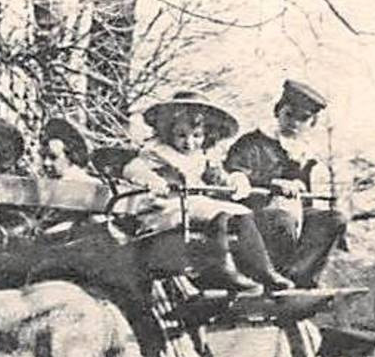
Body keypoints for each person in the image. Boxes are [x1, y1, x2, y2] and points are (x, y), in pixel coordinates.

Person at [124, 89, 294, 293]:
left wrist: (234, 181)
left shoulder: (201, 158)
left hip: (196, 205)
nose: (189, 142)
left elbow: (219, 178)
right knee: (217, 211)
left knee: (240, 213)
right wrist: (152, 180)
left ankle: (262, 269)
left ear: (206, 136)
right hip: (168, 207)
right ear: (168, 131)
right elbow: (132, 168)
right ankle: (220, 267)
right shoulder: (156, 152)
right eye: (181, 135)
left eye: (196, 136)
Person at [225, 79, 349, 287]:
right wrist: (272, 183)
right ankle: (273, 275)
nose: (294, 123)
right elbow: (233, 175)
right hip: (253, 215)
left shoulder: (305, 155)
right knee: (282, 220)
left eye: (303, 118)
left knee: (334, 219)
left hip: (293, 216)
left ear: (312, 123)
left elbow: (304, 201)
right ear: (278, 112)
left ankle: (298, 275)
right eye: (289, 114)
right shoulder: (253, 142)